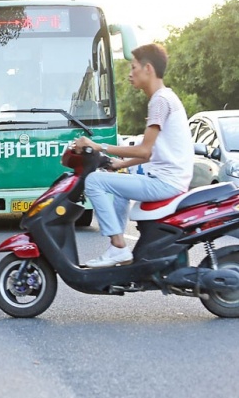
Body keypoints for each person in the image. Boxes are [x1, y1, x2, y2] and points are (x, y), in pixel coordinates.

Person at [73, 43, 193, 268]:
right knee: (119, 190)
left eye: (133, 67)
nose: (130, 74)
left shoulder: (160, 100)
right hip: (169, 180)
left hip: (166, 183)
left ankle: (118, 247)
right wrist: (121, 164)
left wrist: (99, 146)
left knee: (94, 181)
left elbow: (144, 150)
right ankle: (116, 248)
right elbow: (151, 152)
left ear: (148, 68)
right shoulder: (165, 98)